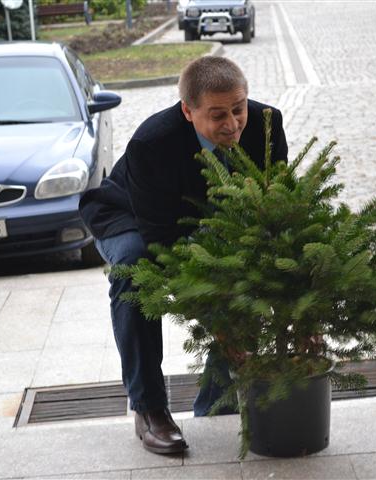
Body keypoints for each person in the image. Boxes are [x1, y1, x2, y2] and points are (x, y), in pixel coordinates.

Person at [78, 56, 288, 455]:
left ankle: (216, 404)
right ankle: (149, 409)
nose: (232, 124)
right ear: (187, 111)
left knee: (242, 261)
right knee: (135, 270)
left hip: (206, 215)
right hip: (132, 216)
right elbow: (165, 248)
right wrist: (219, 323)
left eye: (238, 109)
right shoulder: (151, 143)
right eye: (217, 115)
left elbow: (274, 207)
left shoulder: (266, 123)